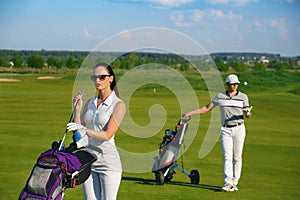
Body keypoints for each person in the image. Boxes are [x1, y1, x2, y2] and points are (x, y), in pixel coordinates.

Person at [66, 63, 126, 200]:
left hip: (108, 163)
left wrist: (84, 129)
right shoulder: (90, 103)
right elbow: (79, 131)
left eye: (102, 77)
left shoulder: (118, 105)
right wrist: (77, 109)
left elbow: (107, 135)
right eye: (95, 77)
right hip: (88, 161)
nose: (97, 81)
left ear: (111, 78)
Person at [183, 74, 252, 192]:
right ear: (227, 84)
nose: (234, 86)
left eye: (236, 84)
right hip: (225, 129)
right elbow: (206, 108)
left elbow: (248, 115)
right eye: (232, 84)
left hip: (239, 128)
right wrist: (190, 113)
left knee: (237, 157)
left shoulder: (243, 97)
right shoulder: (220, 96)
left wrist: (247, 113)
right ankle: (227, 182)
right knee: (227, 156)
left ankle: (234, 182)